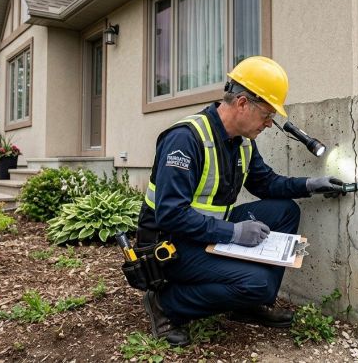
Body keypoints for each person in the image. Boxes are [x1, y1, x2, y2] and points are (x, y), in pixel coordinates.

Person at [136, 56, 346, 346]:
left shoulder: (243, 142)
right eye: (267, 114)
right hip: (170, 245)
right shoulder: (185, 139)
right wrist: (233, 232)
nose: (270, 124)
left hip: (206, 230)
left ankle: (249, 304)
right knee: (257, 282)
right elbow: (171, 215)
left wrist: (310, 185)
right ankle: (166, 303)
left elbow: (265, 183)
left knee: (285, 211)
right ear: (243, 103)